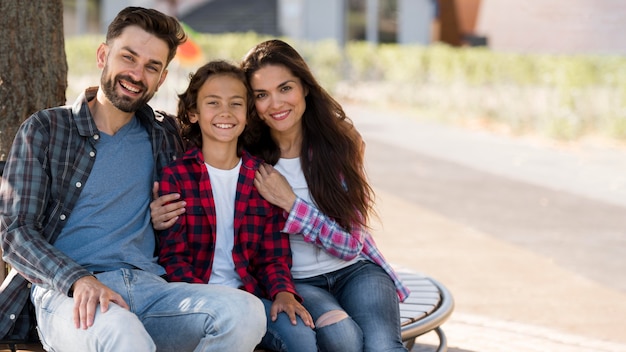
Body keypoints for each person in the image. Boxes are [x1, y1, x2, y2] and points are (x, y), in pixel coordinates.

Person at [0, 7, 265, 352]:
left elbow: (223, 144)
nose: (137, 74)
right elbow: (15, 232)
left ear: (162, 77)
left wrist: (160, 219)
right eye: (128, 57)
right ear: (102, 55)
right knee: (123, 335)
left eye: (151, 66)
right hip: (70, 295)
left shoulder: (165, 134)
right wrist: (77, 279)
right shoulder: (48, 130)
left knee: (244, 312)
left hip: (152, 290)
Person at [151, 39, 411, 352]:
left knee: (384, 347)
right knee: (345, 341)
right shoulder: (249, 158)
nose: (276, 104)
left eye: (285, 88)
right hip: (297, 280)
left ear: (304, 88)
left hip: (355, 268)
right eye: (261, 95)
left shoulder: (339, 145)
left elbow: (350, 244)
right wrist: (155, 214)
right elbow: (203, 162)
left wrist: (290, 203)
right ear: (252, 105)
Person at [156, 60, 316, 351]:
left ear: (247, 114)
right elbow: (173, 259)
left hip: (252, 297)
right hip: (196, 300)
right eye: (213, 103)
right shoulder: (176, 177)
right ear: (193, 113)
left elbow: (273, 256)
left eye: (235, 103)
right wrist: (215, 300)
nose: (225, 112)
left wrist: (283, 292)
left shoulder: (262, 178)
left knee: (302, 335)